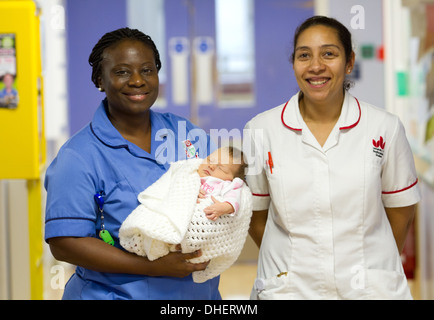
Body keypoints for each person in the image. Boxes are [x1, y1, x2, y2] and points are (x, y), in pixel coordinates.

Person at [244, 16, 421, 300]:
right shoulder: (260, 130)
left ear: (349, 62)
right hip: (291, 290)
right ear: (293, 64)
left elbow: (400, 210)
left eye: (329, 54)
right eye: (304, 55)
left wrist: (370, 263)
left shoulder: (384, 127)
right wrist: (294, 263)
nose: (316, 66)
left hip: (369, 289)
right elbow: (256, 215)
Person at [44, 28, 221, 300]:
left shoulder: (186, 134)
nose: (137, 80)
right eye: (122, 72)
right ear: (100, 80)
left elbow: (225, 186)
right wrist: (154, 267)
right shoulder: (78, 156)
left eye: (147, 70)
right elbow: (65, 243)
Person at [119, 147, 252, 283]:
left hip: (203, 221)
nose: (211, 166)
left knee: (191, 235)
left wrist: (223, 207)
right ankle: (157, 240)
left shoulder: (227, 186)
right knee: (163, 223)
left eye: (221, 168)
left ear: (232, 179)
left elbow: (233, 201)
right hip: (179, 210)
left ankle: (172, 244)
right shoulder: (191, 173)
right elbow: (173, 186)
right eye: (210, 160)